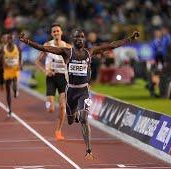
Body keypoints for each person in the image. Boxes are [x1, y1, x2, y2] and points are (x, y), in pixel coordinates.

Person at [19, 29, 139, 160]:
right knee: (70, 121)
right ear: (72, 39)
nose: (80, 39)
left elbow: (112, 45)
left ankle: (88, 150)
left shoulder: (90, 52)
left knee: (84, 118)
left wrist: (130, 38)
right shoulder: (66, 52)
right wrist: (27, 41)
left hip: (84, 91)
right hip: (70, 90)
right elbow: (44, 48)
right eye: (77, 37)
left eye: (82, 37)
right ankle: (74, 113)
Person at [35, 23, 72, 141]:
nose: (56, 33)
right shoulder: (47, 45)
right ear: (52, 34)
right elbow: (37, 61)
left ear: (61, 33)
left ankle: (58, 130)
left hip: (63, 79)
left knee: (62, 106)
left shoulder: (68, 47)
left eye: (58, 31)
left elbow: (73, 63)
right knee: (51, 109)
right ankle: (49, 104)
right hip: (51, 77)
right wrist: (45, 70)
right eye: (54, 31)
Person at [0, 33, 22, 117]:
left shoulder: (17, 48)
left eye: (12, 39)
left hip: (15, 69)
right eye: (9, 39)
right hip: (7, 70)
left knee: (15, 83)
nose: (10, 40)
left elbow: (20, 56)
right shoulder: (4, 48)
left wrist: (20, 64)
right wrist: (4, 64)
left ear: (13, 40)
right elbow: (2, 59)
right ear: (7, 40)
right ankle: (9, 109)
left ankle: (16, 90)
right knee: (8, 91)